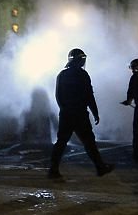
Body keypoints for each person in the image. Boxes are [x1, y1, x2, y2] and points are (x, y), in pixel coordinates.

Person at [48, 48, 115, 179]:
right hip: (80, 114)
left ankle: (53, 170)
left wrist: (65, 109)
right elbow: (89, 96)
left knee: (61, 142)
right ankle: (100, 167)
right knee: (89, 142)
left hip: (66, 114)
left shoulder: (62, 74)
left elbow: (58, 95)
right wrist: (95, 112)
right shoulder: (83, 75)